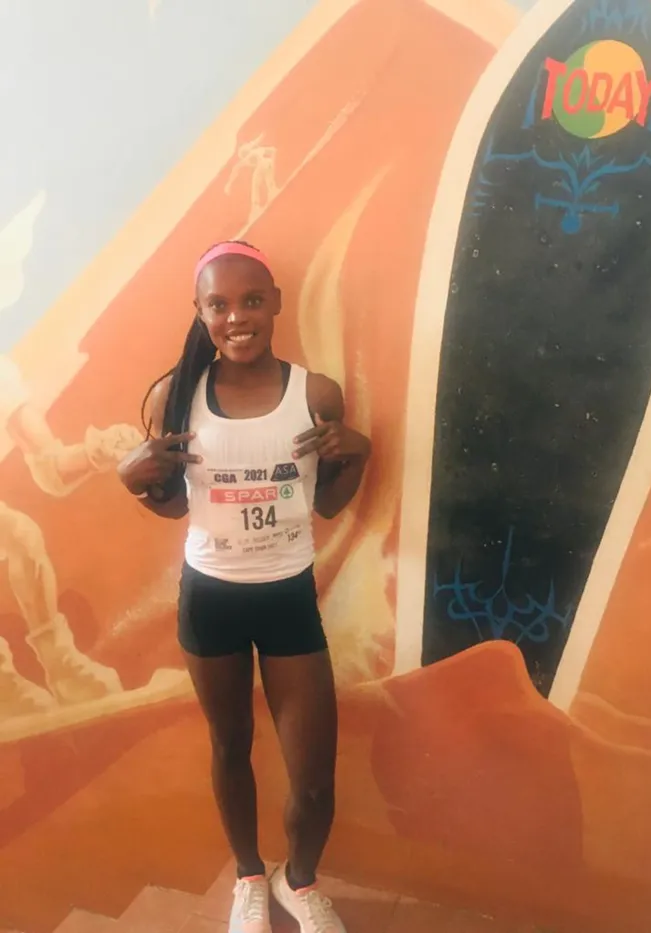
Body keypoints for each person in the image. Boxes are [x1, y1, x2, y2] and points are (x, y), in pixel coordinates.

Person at [117, 240, 371, 933]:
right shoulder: (176, 398)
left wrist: (360, 452)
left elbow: (327, 504)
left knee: (313, 778)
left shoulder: (315, 394)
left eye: (252, 300)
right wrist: (134, 482)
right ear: (200, 312)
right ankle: (250, 877)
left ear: (276, 303)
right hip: (212, 600)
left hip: (288, 599)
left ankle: (301, 879)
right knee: (230, 746)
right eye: (220, 304)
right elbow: (176, 505)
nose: (237, 318)